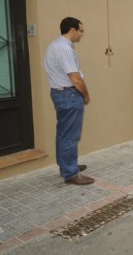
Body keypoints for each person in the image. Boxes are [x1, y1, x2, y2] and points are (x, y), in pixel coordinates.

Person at [44, 17, 94, 185]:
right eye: (81, 30)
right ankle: (71, 173)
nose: (82, 34)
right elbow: (75, 78)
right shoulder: (64, 48)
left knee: (63, 132)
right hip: (69, 94)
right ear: (72, 30)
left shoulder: (55, 45)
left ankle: (66, 166)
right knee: (70, 136)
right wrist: (86, 95)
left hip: (60, 94)